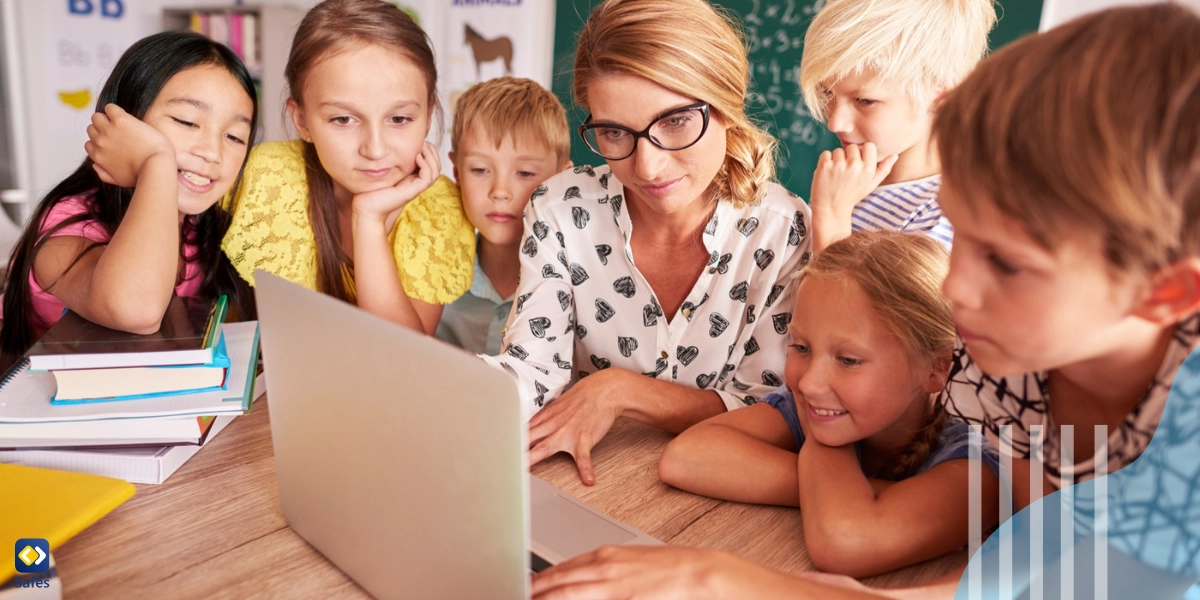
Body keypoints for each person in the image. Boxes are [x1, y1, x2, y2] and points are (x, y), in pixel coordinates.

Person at [530, 4, 1200, 599]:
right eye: (959, 234)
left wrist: (731, 582)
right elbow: (1029, 565)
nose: (956, 289)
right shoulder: (1009, 373)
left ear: (1166, 291)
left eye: (1004, 262)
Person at [481, 0, 812, 486]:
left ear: (727, 102)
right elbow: (533, 371)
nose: (648, 168)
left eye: (675, 122)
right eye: (614, 132)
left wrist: (619, 391)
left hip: (728, 496)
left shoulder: (783, 232)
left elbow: (773, 412)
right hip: (592, 482)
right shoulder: (559, 209)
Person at [658, 231, 1001, 577]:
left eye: (849, 360)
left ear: (937, 368)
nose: (808, 383)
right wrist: (846, 493)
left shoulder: (979, 465)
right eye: (801, 347)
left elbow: (844, 541)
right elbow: (685, 458)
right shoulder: (820, 406)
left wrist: (822, 457)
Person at [0, 31, 258, 371]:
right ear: (122, 122)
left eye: (234, 136)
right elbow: (135, 310)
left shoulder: (209, 228)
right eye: (187, 121)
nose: (212, 152)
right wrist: (156, 162)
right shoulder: (68, 226)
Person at [221, 0, 474, 334]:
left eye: (399, 119)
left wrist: (368, 220)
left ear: (428, 116)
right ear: (302, 121)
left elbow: (400, 356)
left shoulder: (439, 207)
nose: (375, 149)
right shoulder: (270, 179)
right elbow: (293, 344)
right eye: (343, 119)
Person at [801, 0, 995, 252]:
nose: (835, 122)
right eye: (828, 94)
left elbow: (830, 293)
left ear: (941, 96)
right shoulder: (850, 180)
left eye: (864, 101)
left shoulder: (946, 220)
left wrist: (832, 218)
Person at [435, 77, 571, 355]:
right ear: (457, 173)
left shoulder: (577, 288)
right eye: (480, 170)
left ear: (563, 181)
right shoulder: (432, 273)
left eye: (524, 174)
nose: (499, 191)